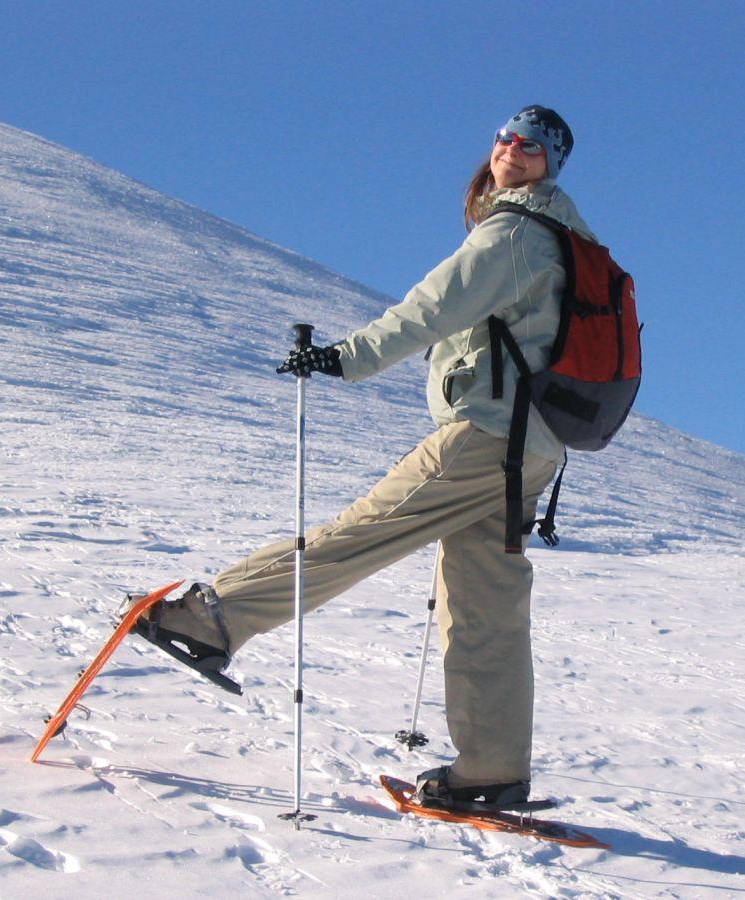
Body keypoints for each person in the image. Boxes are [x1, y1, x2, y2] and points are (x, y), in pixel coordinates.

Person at [131, 105, 598, 809]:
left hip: (485, 439)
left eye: (533, 146)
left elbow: (430, 309)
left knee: (362, 532)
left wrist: (342, 358)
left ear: (552, 163)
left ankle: (212, 618)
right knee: (486, 610)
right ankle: (493, 769)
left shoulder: (514, 234)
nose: (513, 149)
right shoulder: (565, 238)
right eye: (505, 136)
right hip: (532, 449)